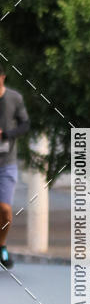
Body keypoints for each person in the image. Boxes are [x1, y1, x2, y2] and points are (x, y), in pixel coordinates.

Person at [0, 64, 30, 269]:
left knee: (5, 210)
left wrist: (8, 134)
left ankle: (2, 245)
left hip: (6, 163)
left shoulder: (14, 98)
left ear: (2, 77)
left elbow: (25, 124)